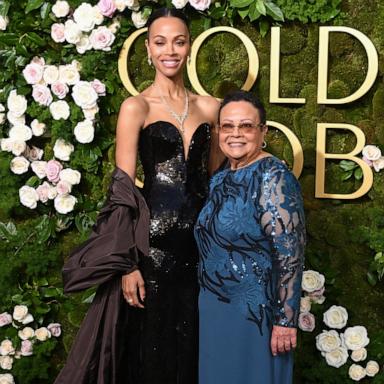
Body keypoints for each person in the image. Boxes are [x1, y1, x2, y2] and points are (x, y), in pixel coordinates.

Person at [115, 7, 221, 384]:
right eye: (160, 42)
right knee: (153, 350)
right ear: (147, 48)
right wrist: (128, 264)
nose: (169, 50)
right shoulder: (136, 107)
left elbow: (219, 184)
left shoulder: (211, 108)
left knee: (197, 348)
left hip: (202, 249)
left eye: (178, 41)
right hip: (152, 250)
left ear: (190, 46)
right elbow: (123, 191)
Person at [194, 90, 306, 384]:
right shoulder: (220, 177)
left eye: (246, 126)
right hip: (215, 309)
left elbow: (290, 254)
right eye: (227, 126)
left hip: (254, 316)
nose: (236, 134)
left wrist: (285, 321)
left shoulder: (274, 177)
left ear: (263, 131)